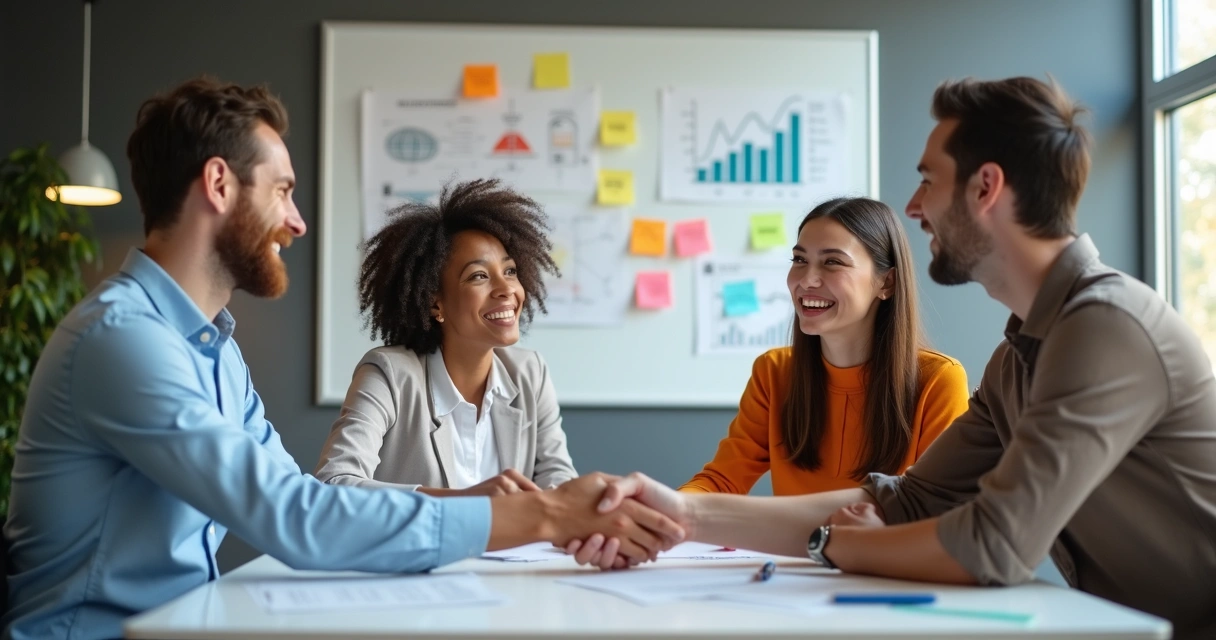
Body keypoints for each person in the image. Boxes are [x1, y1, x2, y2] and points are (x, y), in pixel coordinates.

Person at [0, 78, 681, 640]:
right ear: (218, 184)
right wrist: (547, 516)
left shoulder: (212, 350)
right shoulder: (124, 341)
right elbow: (294, 518)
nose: (297, 221)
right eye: (284, 191)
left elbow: (309, 498)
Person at [574, 76, 1216, 640]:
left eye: (929, 181)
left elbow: (993, 544)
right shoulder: (1018, 357)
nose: (914, 207)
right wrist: (680, 511)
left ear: (985, 187)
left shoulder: (1103, 327)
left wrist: (836, 544)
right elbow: (909, 501)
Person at [680, 197, 969, 496]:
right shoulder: (774, 373)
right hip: (789, 545)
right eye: (799, 260)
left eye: (832, 262)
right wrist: (659, 509)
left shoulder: (937, 381)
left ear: (887, 283)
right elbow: (721, 482)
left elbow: (937, 507)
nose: (807, 280)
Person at [313, 179, 578, 496]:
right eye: (479, 276)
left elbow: (558, 479)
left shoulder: (529, 373)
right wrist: (465, 502)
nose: (507, 289)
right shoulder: (389, 375)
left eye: (509, 271)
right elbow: (334, 484)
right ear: (434, 302)